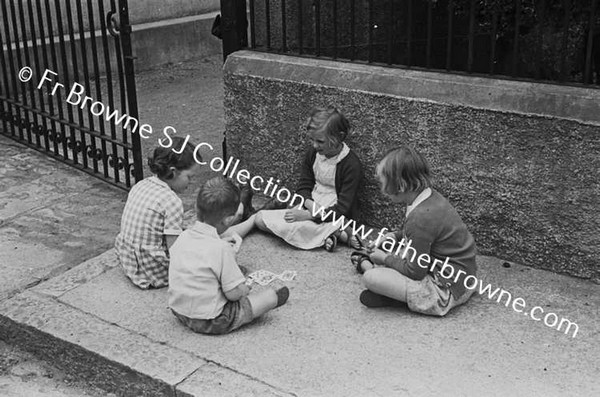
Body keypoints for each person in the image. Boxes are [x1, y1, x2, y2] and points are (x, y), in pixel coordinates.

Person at [351, 146, 477, 316]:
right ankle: (392, 292)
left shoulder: (420, 218)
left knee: (371, 278)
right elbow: (420, 235)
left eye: (383, 182)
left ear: (401, 185)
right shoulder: (429, 198)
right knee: (399, 252)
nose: (381, 188)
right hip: (463, 279)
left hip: (444, 291)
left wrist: (385, 258)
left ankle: (390, 290)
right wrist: (394, 236)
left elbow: (415, 272)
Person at [115, 137, 255, 289]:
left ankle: (243, 212)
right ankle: (245, 215)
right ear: (173, 172)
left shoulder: (141, 185)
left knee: (202, 232)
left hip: (130, 261)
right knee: (210, 238)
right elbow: (176, 252)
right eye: (189, 176)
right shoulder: (171, 201)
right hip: (154, 271)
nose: (191, 182)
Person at [168, 177, 289, 335]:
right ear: (228, 220)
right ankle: (274, 297)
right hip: (211, 320)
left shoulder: (182, 237)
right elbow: (233, 294)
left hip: (179, 311)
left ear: (197, 208)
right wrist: (245, 289)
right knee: (267, 298)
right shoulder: (222, 249)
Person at [254, 106, 363, 251]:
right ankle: (332, 236)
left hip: (334, 214)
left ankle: (335, 232)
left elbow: (343, 208)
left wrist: (309, 216)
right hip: (311, 204)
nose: (314, 145)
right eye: (312, 140)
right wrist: (308, 204)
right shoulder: (313, 154)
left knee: (327, 223)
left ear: (339, 137)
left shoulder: (351, 164)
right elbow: (304, 186)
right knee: (261, 220)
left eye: (320, 141)